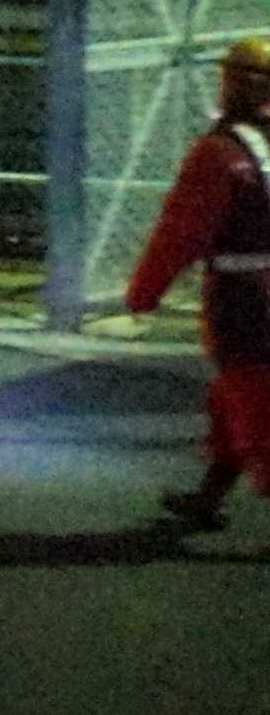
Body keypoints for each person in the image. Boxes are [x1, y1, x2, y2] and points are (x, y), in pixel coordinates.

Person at [120, 33, 270, 535]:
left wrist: (144, 292)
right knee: (235, 399)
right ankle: (208, 498)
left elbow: (179, 233)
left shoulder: (220, 155)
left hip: (246, 302)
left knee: (254, 403)